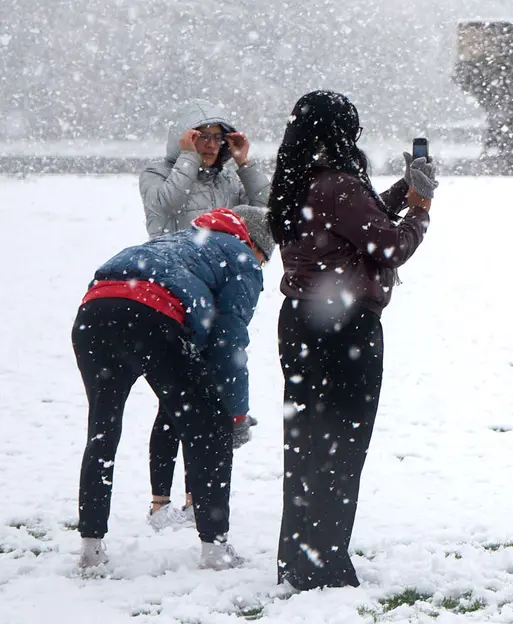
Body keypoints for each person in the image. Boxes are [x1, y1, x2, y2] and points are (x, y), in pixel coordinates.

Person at [267, 90, 436, 590]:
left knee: (305, 445)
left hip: (300, 321)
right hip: (347, 328)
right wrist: (421, 209)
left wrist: (403, 190)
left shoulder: (298, 181)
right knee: (343, 446)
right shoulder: (339, 184)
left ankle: (297, 557)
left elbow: (353, 226)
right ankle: (325, 565)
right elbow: (387, 245)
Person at [72, 206, 275, 570]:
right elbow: (229, 342)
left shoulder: (181, 239)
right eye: (265, 257)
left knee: (102, 429)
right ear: (255, 244)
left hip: (94, 312)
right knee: (212, 426)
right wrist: (237, 414)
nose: (261, 265)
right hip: (150, 316)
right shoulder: (242, 256)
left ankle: (91, 548)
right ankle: (215, 548)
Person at [139, 99, 270, 531]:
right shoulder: (158, 172)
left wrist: (246, 164)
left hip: (217, 291)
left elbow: (266, 214)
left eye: (218, 137)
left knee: (208, 397)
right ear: (184, 137)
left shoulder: (229, 178)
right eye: (202, 136)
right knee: (170, 400)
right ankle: (160, 501)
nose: (212, 145)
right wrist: (189, 158)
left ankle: (196, 495)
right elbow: (163, 208)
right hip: (167, 293)